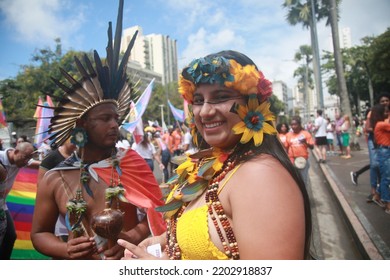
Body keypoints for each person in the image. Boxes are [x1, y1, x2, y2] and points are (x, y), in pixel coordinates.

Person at [118, 50, 312, 260]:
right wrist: (164, 241)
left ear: (252, 103)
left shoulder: (260, 175)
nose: (205, 112)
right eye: (199, 100)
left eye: (221, 97)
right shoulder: (212, 163)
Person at [30, 0, 166, 260]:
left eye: (116, 118)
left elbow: (156, 214)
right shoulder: (53, 178)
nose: (115, 124)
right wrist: (65, 249)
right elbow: (39, 234)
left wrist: (130, 238)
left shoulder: (133, 163)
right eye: (105, 118)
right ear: (81, 125)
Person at [0, 142, 35, 259]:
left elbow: (34, 163)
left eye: (29, 158)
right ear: (15, 152)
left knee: (10, 235)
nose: (26, 162)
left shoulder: (21, 159)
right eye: (25, 158)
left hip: (2, 205)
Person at [351, 93, 390, 188]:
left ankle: (380, 188)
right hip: (374, 140)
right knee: (375, 164)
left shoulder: (388, 112)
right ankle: (374, 189)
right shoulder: (373, 112)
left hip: (386, 141)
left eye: (387, 100)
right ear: (379, 102)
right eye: (382, 101)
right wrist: (380, 129)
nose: (385, 102)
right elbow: (367, 128)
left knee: (383, 164)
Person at [285, 116, 315, 186]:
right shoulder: (288, 135)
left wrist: (305, 142)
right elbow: (286, 148)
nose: (293, 126)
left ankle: (304, 196)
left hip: (302, 160)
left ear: (299, 125)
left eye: (295, 124)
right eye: (292, 125)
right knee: (293, 181)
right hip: (291, 160)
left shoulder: (305, 134)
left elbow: (312, 147)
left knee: (303, 181)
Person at [373, 103, 390, 213]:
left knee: (386, 177)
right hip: (384, 151)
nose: (387, 113)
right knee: (386, 178)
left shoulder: (381, 124)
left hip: (385, 151)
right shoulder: (380, 124)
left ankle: (377, 195)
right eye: (385, 112)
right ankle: (387, 204)